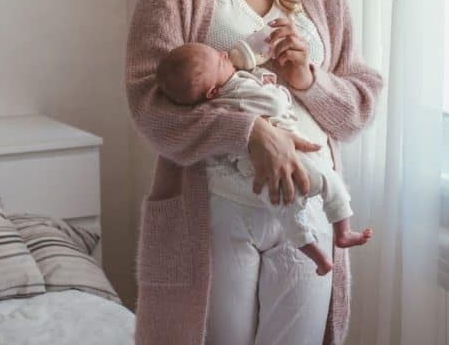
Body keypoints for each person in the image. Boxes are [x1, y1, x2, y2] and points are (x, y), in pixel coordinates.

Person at [126, 0, 383, 345]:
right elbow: (148, 106)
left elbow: (358, 108)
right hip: (216, 211)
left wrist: (310, 80)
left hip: (306, 208)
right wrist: (248, 132)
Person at [155, 41, 373, 276]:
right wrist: (277, 88)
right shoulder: (236, 88)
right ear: (212, 91)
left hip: (259, 178)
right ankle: (343, 231)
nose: (224, 52)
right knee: (331, 184)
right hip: (294, 162)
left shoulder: (217, 103)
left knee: (291, 217)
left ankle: (318, 257)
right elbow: (275, 103)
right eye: (219, 60)